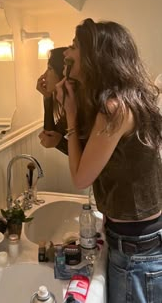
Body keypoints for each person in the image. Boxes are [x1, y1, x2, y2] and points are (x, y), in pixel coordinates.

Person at [56, 18, 162, 303]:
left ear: (94, 55)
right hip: (139, 243)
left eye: (75, 45)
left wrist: (71, 115)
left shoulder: (114, 109)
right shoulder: (130, 99)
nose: (66, 53)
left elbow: (81, 178)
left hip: (135, 253)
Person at [36, 47, 68, 155]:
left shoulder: (82, 105)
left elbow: (92, 154)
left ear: (62, 72)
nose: (44, 76)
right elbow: (50, 135)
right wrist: (47, 97)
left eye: (49, 68)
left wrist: (60, 142)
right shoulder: (69, 105)